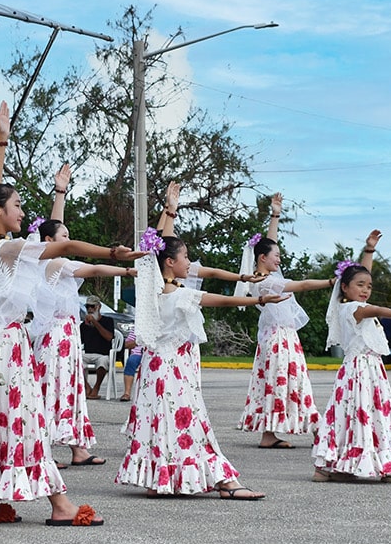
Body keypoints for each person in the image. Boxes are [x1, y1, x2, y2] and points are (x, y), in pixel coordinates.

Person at [0, 101, 135, 526]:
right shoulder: (7, 249)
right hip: (5, 350)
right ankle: (59, 504)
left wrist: (2, 141)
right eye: (18, 205)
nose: (23, 212)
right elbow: (63, 246)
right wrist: (109, 251)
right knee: (25, 420)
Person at [116, 181, 281, 500]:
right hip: (173, 371)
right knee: (191, 423)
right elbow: (219, 299)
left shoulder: (152, 288)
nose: (189, 263)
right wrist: (258, 301)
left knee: (164, 424)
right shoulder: (177, 293)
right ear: (169, 263)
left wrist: (170, 210)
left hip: (155, 370)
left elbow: (156, 250)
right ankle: (224, 482)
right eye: (185, 257)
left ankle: (161, 478)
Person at [312, 234, 391, 483]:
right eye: (360, 285)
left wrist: (369, 251)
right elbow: (370, 308)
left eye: (369, 286)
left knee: (353, 415)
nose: (365, 290)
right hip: (361, 370)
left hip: (364, 369)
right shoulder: (351, 308)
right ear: (344, 287)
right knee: (365, 414)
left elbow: (362, 278)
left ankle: (338, 467)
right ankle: (382, 467)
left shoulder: (351, 303)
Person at [34, 214, 135, 468]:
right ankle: (43, 450)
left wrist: (60, 193)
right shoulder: (56, 264)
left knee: (68, 390)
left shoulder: (44, 261)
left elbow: (54, 221)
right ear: (49, 240)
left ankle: (77, 448)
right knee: (54, 390)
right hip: (57, 336)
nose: (69, 241)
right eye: (64, 237)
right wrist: (126, 269)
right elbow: (95, 269)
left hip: (63, 334)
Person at [234, 192, 329, 449]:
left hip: (276, 337)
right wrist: (331, 282)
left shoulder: (258, 276)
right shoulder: (269, 281)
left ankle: (271, 433)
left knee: (277, 382)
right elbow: (304, 284)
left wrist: (275, 214)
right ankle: (317, 428)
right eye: (275, 256)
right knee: (289, 380)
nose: (279, 258)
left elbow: (269, 243)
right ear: (262, 258)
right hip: (279, 338)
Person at [80, 298, 116, 400]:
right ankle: (87, 387)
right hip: (87, 354)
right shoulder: (83, 326)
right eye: (87, 307)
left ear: (99, 307)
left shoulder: (108, 321)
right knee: (74, 361)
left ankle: (96, 388)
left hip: (102, 354)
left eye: (92, 306)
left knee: (103, 361)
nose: (90, 309)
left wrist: (95, 323)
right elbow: (79, 341)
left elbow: (109, 337)